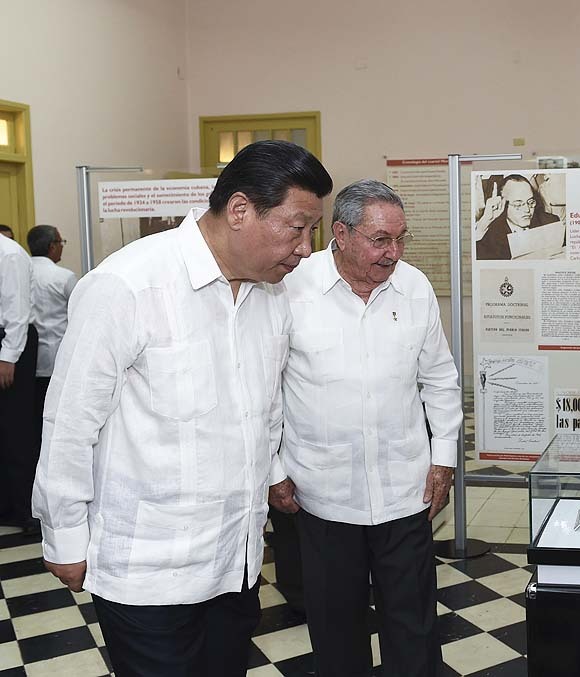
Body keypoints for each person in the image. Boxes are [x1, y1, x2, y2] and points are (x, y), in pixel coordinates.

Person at [31, 140, 332, 677]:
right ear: (239, 210)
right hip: (149, 572)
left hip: (235, 565)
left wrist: (274, 476)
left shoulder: (270, 298)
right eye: (297, 228)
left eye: (313, 230)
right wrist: (65, 536)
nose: (306, 249)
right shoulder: (128, 285)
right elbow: (69, 424)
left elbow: (263, 414)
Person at [281, 179, 462, 677]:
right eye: (381, 240)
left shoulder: (414, 286)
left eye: (401, 239)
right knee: (336, 628)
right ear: (340, 234)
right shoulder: (291, 286)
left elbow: (439, 378)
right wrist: (273, 469)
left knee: (414, 626)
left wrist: (444, 458)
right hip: (323, 494)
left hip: (404, 489)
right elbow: (264, 388)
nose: (394, 253)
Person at [26, 225, 77, 460]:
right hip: (58, 356)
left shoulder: (21, 270)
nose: (61, 247)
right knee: (56, 415)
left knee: (31, 416)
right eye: (60, 242)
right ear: (51, 246)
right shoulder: (64, 277)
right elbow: (79, 312)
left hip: (25, 358)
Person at [0, 231, 38, 533]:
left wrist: (8, 357)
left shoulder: (9, 253)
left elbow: (17, 310)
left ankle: (25, 509)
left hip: (11, 345)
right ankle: (5, 506)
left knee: (16, 430)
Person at [475, 174, 560, 260]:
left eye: (530, 202)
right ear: (503, 205)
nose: (527, 209)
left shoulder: (550, 223)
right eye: (518, 204)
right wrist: (484, 221)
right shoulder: (491, 236)